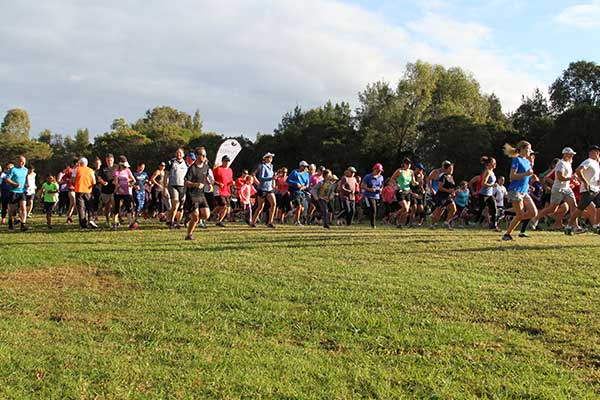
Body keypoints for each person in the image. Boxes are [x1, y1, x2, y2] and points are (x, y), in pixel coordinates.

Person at [531, 147, 578, 233]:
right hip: (558, 189)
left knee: (573, 206)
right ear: (565, 154)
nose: (572, 156)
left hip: (566, 189)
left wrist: (573, 181)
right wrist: (570, 178)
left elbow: (567, 177)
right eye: (571, 154)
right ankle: (536, 218)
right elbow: (560, 177)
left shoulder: (569, 163)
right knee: (552, 209)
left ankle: (575, 226)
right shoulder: (560, 164)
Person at [502, 141, 537, 241]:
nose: (530, 151)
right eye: (528, 149)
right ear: (522, 149)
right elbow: (512, 176)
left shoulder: (527, 161)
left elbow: (527, 176)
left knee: (533, 212)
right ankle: (507, 234)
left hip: (524, 191)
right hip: (515, 191)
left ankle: (511, 217)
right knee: (520, 215)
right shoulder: (516, 160)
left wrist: (529, 183)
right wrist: (526, 174)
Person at [567, 145, 600, 234]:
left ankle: (597, 225)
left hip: (596, 189)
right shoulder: (588, 161)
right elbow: (578, 170)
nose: (596, 154)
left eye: (597, 152)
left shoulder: (596, 163)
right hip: (587, 189)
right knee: (580, 209)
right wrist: (585, 182)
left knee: (598, 206)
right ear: (590, 153)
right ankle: (569, 226)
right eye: (594, 152)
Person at [183, 147, 211, 240]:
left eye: (205, 155)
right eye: (203, 155)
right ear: (197, 156)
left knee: (206, 215)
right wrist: (195, 184)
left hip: (201, 195)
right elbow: (186, 182)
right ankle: (189, 235)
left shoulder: (206, 167)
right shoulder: (192, 168)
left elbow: (205, 176)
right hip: (192, 195)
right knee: (195, 217)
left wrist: (209, 184)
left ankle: (189, 218)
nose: (204, 157)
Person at [474, 156, 500, 231]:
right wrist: (492, 185)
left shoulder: (492, 172)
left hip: (489, 193)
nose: (495, 164)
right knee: (482, 209)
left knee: (493, 209)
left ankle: (493, 226)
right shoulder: (487, 171)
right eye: (493, 163)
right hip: (484, 193)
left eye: (495, 162)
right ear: (488, 164)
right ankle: (472, 220)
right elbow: (483, 184)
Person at [164, 148, 188, 229]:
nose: (179, 154)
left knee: (181, 206)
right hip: (173, 185)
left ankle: (178, 223)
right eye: (177, 153)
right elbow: (166, 175)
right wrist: (165, 187)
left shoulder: (186, 163)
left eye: (180, 153)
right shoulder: (171, 162)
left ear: (183, 154)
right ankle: (171, 221)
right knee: (175, 204)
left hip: (183, 186)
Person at [252, 153, 276, 228]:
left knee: (274, 204)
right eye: (269, 157)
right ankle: (253, 221)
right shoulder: (262, 166)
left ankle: (270, 222)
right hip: (262, 189)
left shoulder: (271, 166)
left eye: (271, 157)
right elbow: (261, 178)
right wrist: (270, 178)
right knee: (260, 206)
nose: (270, 158)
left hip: (269, 189)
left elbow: (272, 177)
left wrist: (273, 182)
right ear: (265, 158)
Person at [430, 161, 457, 230]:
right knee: (439, 213)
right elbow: (440, 187)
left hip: (448, 196)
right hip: (441, 196)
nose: (452, 170)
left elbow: (452, 187)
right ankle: (432, 224)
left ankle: (447, 223)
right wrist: (449, 191)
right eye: (450, 169)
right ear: (446, 169)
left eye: (452, 169)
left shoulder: (451, 177)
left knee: (454, 209)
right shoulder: (443, 177)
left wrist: (453, 192)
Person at [5, 155, 29, 231]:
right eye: (21, 161)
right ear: (17, 162)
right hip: (13, 191)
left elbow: (26, 177)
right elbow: (7, 179)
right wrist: (15, 184)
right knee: (12, 209)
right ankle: (10, 223)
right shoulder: (13, 170)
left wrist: (27, 184)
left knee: (23, 208)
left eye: (24, 162)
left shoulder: (25, 170)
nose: (22, 163)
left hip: (22, 191)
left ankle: (23, 225)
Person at [112, 156, 137, 230]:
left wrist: (131, 184)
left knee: (128, 207)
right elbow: (116, 183)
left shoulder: (128, 170)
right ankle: (114, 223)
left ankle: (130, 223)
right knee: (116, 208)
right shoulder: (116, 172)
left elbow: (134, 180)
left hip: (127, 192)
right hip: (118, 192)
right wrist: (119, 188)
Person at [73, 157, 98, 229]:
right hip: (88, 190)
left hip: (79, 190)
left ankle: (83, 223)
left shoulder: (76, 169)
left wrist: (76, 184)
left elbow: (73, 180)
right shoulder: (90, 170)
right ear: (86, 163)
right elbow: (94, 182)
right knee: (89, 206)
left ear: (80, 163)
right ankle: (91, 219)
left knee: (81, 207)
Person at [390, 158, 414, 228]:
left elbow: (413, 182)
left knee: (406, 210)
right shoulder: (399, 171)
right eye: (407, 164)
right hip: (400, 191)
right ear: (404, 164)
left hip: (408, 191)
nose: (409, 165)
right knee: (405, 208)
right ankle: (395, 217)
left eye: (410, 164)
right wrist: (396, 184)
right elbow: (392, 179)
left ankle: (399, 223)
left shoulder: (411, 172)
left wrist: (419, 181)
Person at [287, 161, 311, 226]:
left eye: (306, 166)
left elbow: (307, 184)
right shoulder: (294, 172)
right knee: (299, 206)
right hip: (295, 192)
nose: (305, 168)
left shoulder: (307, 174)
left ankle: (292, 215)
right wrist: (296, 184)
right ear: (300, 166)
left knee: (302, 208)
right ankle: (297, 221)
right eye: (304, 166)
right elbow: (288, 180)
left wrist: (303, 187)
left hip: (302, 192)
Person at [361, 163, 384, 228]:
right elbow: (362, 186)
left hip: (377, 195)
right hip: (369, 195)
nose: (379, 172)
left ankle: (370, 219)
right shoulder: (368, 177)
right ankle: (373, 224)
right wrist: (369, 189)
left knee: (375, 210)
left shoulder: (381, 177)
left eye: (380, 171)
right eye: (378, 170)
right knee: (373, 209)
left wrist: (381, 189)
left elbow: (382, 185)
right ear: (374, 169)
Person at [213, 155, 234, 227]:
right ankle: (212, 214)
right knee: (223, 205)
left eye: (228, 161)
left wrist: (232, 183)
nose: (227, 162)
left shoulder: (230, 170)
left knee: (226, 207)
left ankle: (219, 220)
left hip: (227, 191)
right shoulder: (217, 169)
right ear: (222, 161)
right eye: (225, 161)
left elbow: (230, 180)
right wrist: (218, 183)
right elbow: (211, 180)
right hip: (219, 190)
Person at [97, 154, 117, 225]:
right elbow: (99, 178)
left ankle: (115, 221)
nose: (109, 162)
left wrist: (116, 181)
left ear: (113, 160)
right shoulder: (102, 168)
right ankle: (107, 220)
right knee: (107, 206)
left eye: (111, 160)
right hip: (105, 190)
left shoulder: (116, 167)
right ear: (106, 160)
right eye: (108, 160)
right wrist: (103, 182)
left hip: (114, 190)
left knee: (115, 206)